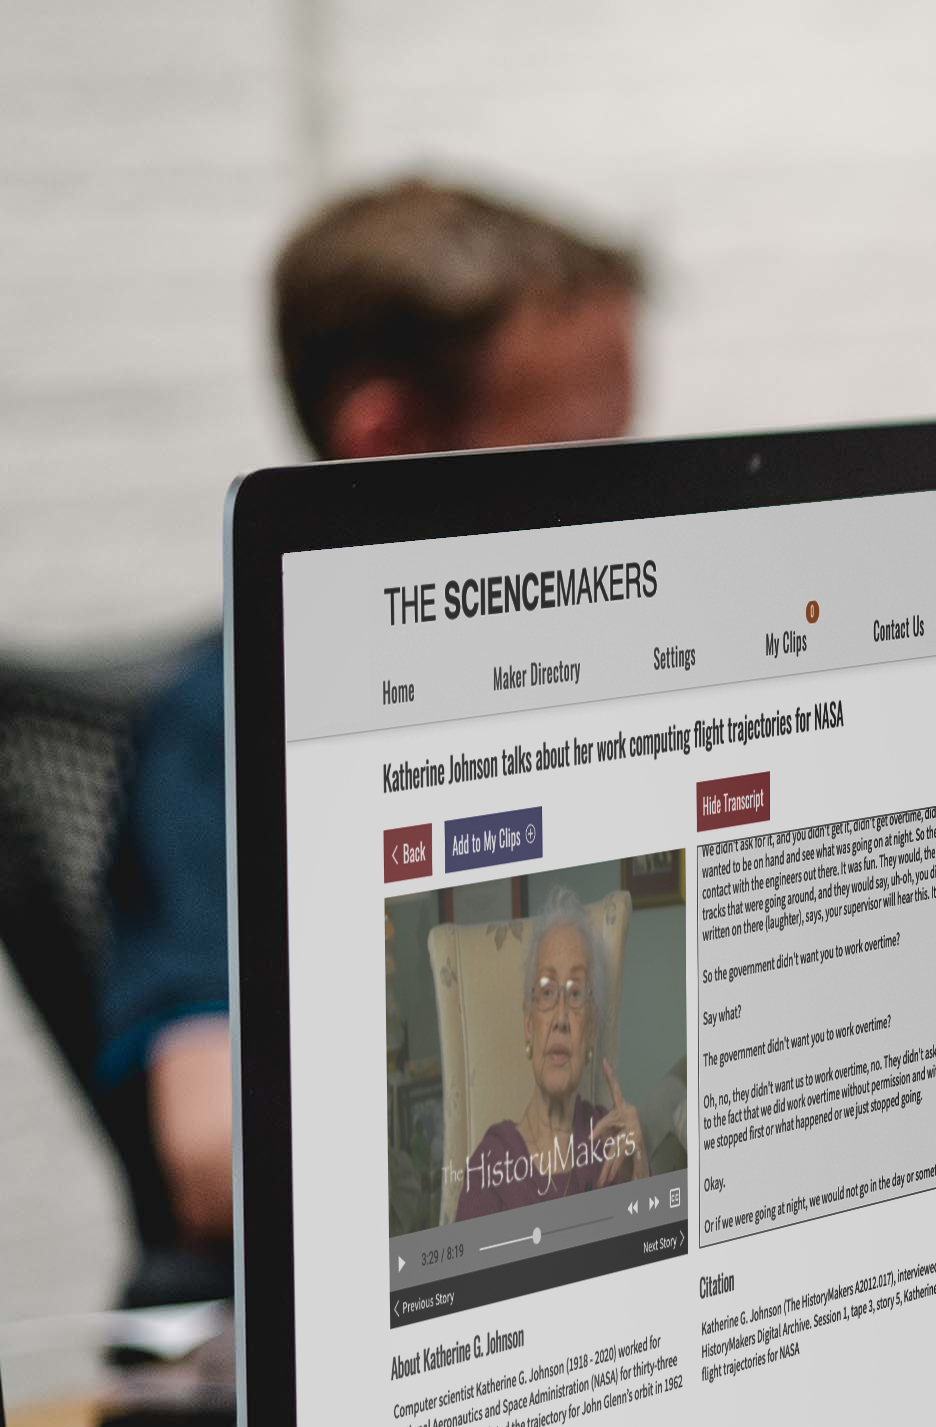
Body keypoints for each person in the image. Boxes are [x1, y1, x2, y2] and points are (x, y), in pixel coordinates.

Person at [100, 178, 642, 1269]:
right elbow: (211, 1155)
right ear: (387, 441)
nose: (623, 508)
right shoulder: (224, 731)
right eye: (573, 458)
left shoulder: (587, 681)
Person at [448, 897, 641, 1223]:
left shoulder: (613, 1145)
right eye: (548, 992)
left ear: (591, 1030)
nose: (561, 1018)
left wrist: (641, 1179)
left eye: (576, 994)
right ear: (529, 1025)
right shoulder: (490, 1169)